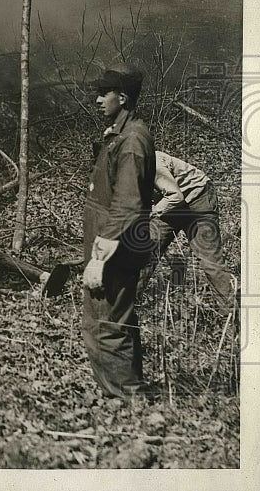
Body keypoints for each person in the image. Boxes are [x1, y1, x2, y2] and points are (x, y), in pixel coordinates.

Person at [81, 63, 156, 398]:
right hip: (111, 242)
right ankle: (122, 390)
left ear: (122, 97)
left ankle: (128, 398)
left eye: (103, 93)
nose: (97, 100)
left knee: (106, 322)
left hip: (115, 247)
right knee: (112, 319)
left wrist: (98, 260)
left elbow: (126, 206)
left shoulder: (131, 140)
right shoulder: (120, 133)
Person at [145, 150, 236, 304]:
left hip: (198, 197)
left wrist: (152, 213)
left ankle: (228, 316)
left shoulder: (152, 163)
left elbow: (175, 196)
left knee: (211, 261)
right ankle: (128, 312)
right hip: (171, 205)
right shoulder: (125, 170)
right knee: (145, 251)